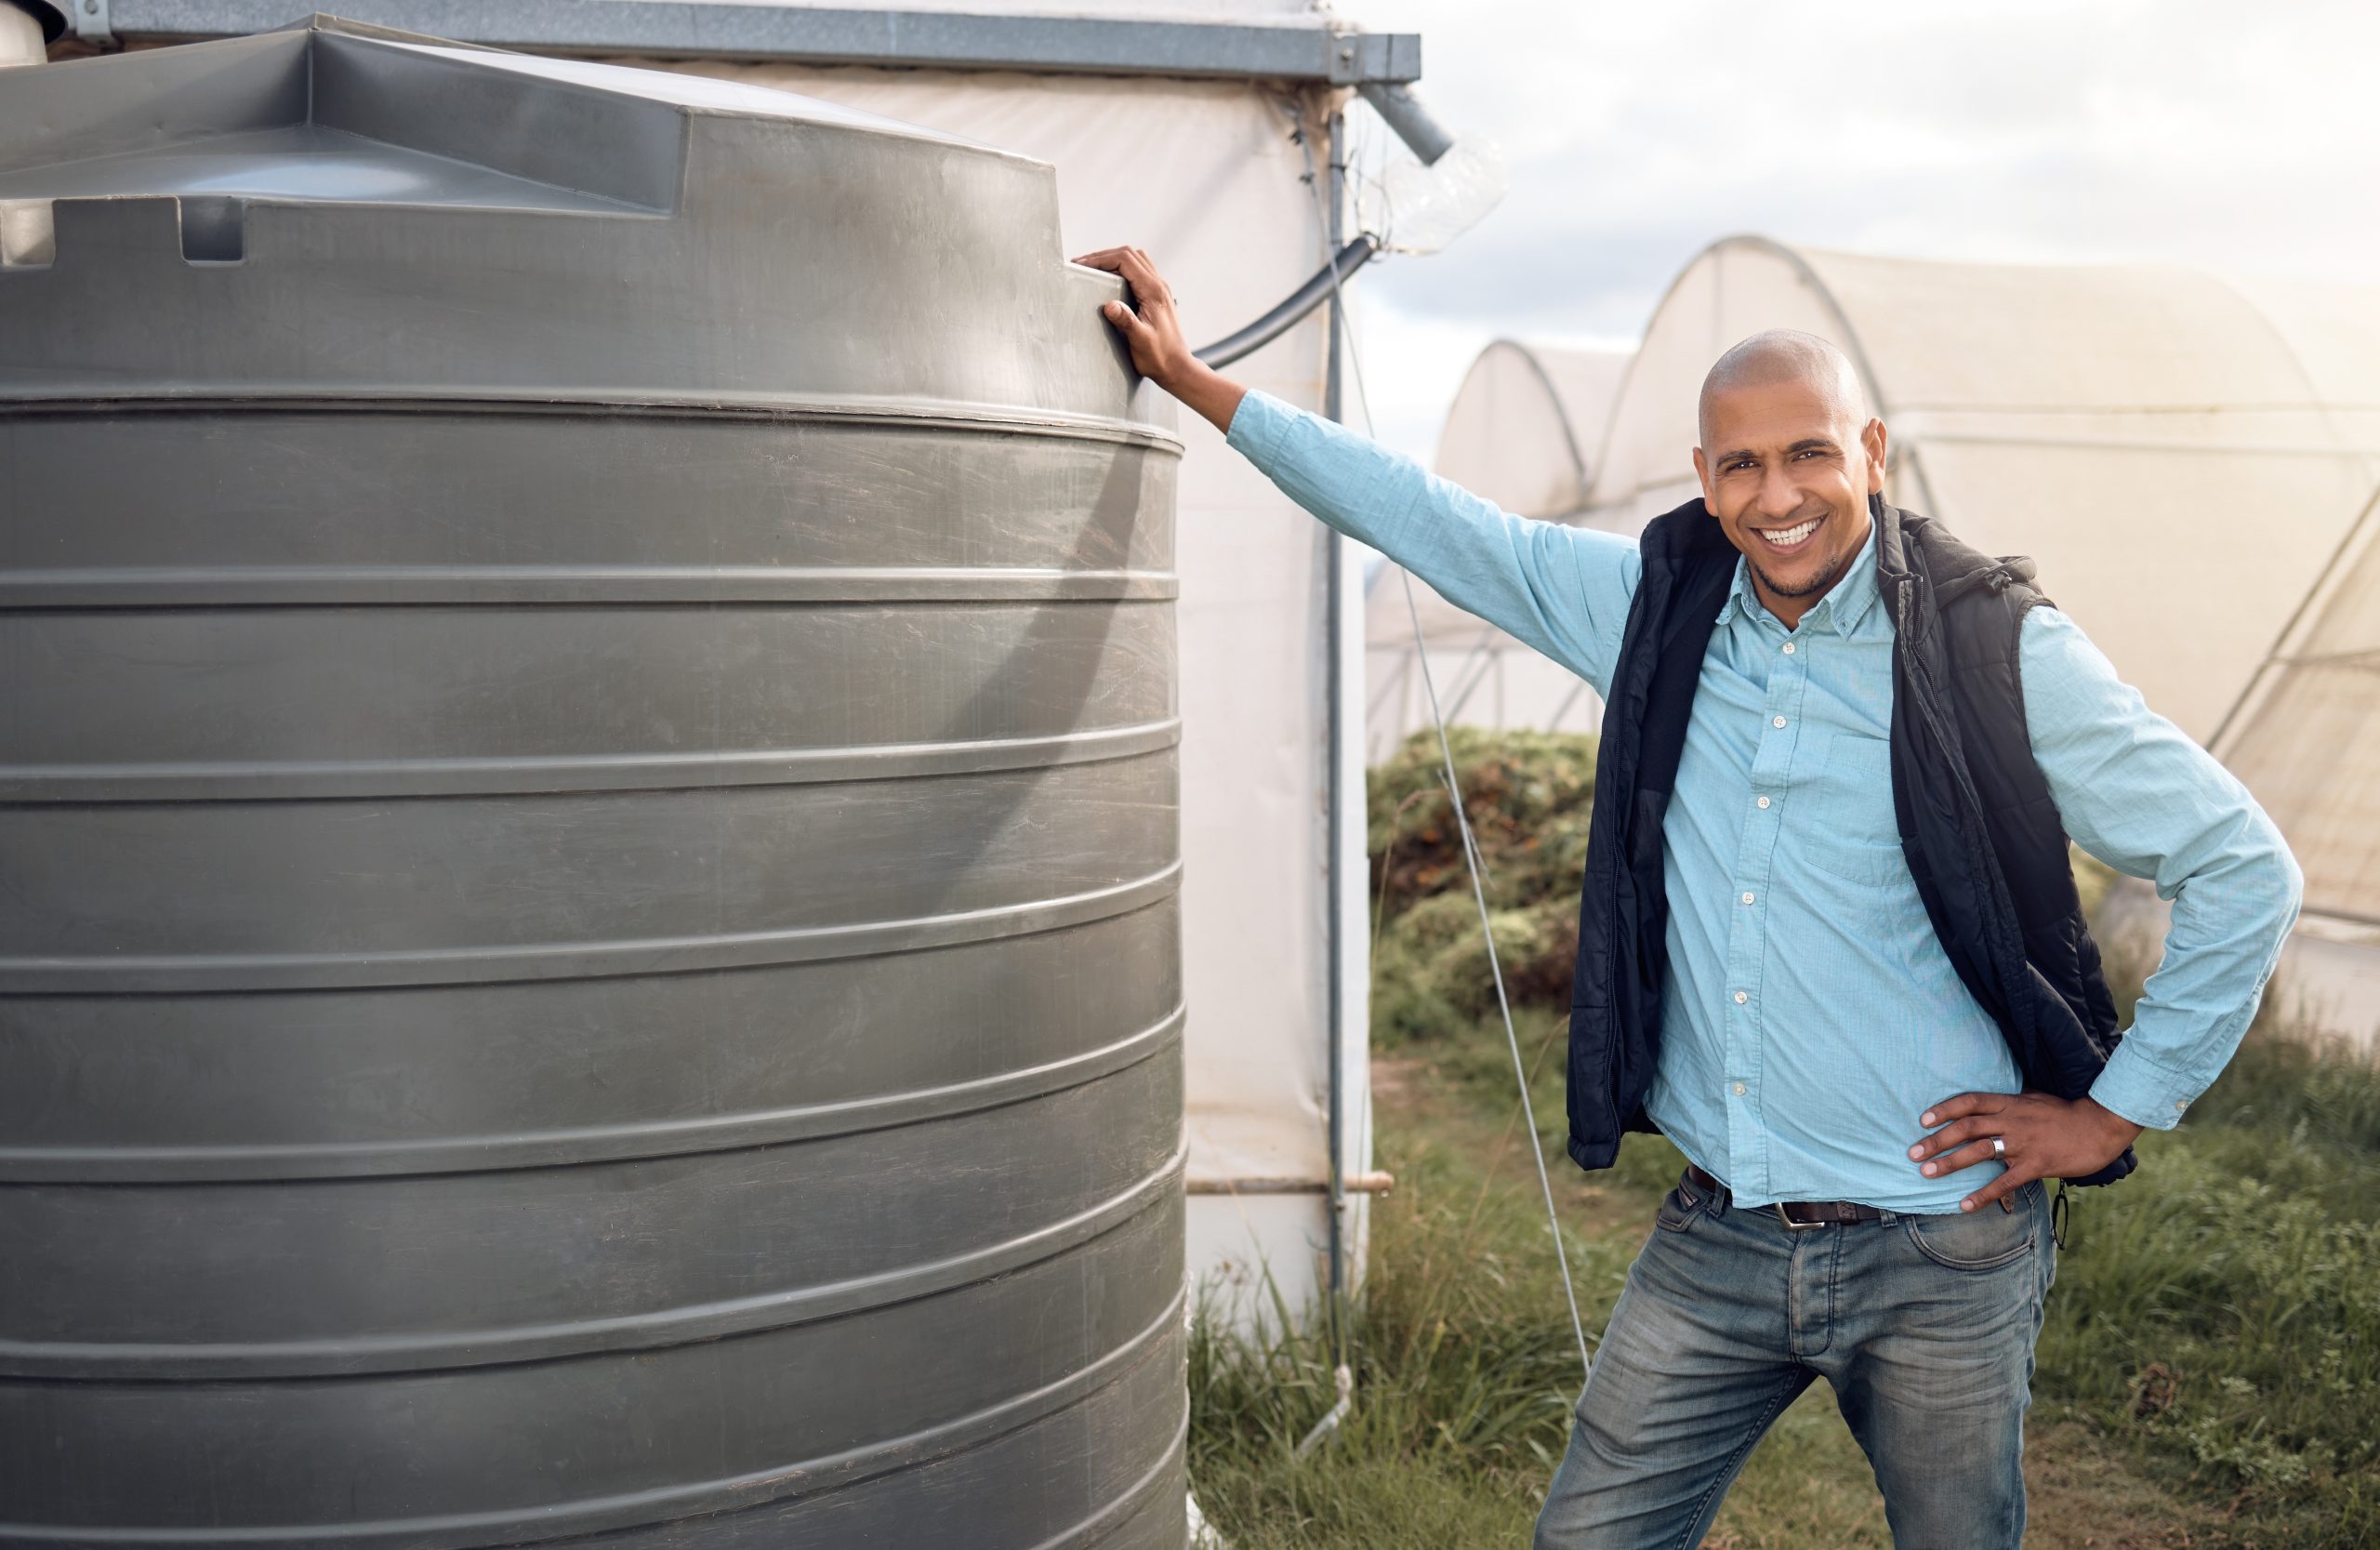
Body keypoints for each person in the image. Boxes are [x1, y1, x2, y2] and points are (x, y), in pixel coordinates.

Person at [1074, 245, 2305, 1550]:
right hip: (1721, 1237)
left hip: (1942, 1252)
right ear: (1705, 480)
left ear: (1871, 453)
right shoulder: (1652, 614)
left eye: (1810, 454)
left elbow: (2243, 866)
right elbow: (1432, 520)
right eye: (1743, 465)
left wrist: (2111, 1115)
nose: (1779, 496)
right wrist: (1201, 386)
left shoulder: (1995, 648)